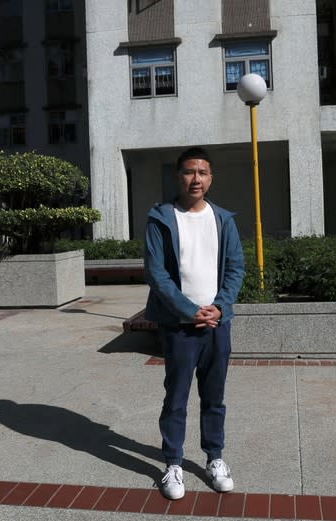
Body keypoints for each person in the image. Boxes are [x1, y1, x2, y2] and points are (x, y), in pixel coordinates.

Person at [144, 146, 245, 501]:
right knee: (176, 398)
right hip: (179, 326)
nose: (196, 178)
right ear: (178, 176)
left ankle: (214, 458)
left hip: (218, 325)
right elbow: (157, 274)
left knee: (214, 398)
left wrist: (220, 306)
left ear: (211, 178)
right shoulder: (161, 217)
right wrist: (189, 310)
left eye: (202, 172)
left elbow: (236, 268)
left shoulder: (223, 219)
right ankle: (172, 463)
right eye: (189, 172)